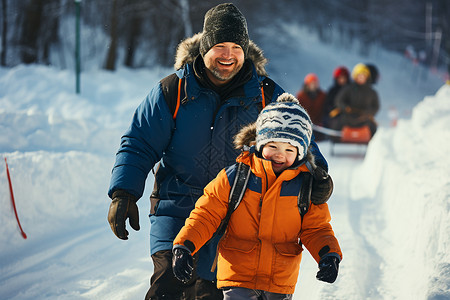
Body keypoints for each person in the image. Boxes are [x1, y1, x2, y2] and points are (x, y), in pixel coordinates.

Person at [107, 3, 331, 300]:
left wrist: (317, 173)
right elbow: (139, 142)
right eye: (219, 46)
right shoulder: (173, 91)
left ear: (245, 49)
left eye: (236, 47)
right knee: (167, 288)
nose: (228, 55)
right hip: (177, 208)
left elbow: (300, 139)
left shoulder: (265, 95)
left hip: (236, 217)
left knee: (208, 294)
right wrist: (123, 192)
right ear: (204, 48)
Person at [172, 93, 342, 299]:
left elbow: (316, 228)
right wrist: (184, 246)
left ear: (301, 152)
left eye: (289, 149)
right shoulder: (236, 177)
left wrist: (328, 254)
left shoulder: (305, 186)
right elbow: (205, 214)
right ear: (260, 144)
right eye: (273, 146)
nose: (280, 154)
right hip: (238, 276)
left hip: (279, 281)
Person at [329, 63, 380, 137]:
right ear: (355, 76)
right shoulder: (348, 89)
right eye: (359, 75)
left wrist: (368, 112)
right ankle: (335, 140)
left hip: (364, 118)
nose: (361, 77)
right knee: (336, 123)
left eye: (364, 75)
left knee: (373, 127)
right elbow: (339, 100)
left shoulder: (372, 92)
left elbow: (376, 106)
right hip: (348, 116)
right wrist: (346, 108)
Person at [295, 73, 327, 140]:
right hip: (305, 125)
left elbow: (325, 110)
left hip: (320, 126)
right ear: (307, 84)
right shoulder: (301, 96)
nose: (314, 85)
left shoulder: (322, 95)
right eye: (312, 83)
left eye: (315, 83)